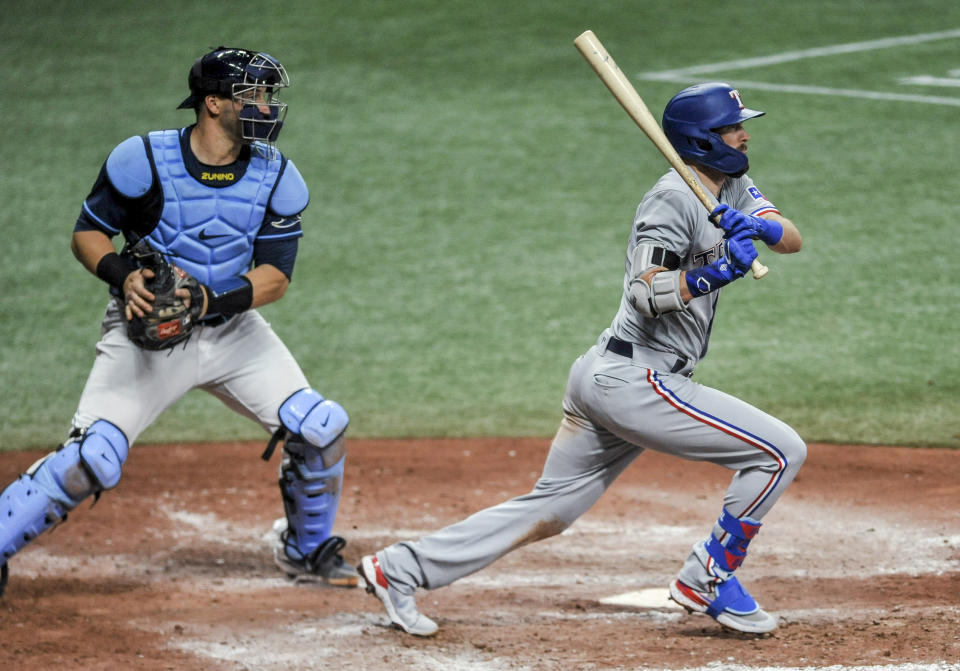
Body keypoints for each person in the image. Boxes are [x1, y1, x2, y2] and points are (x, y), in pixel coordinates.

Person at [357, 82, 805, 636]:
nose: (745, 134)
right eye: (733, 128)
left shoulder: (731, 184)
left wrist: (761, 227)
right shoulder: (669, 200)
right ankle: (707, 577)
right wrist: (712, 273)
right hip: (636, 379)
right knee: (779, 451)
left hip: (610, 374)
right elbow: (647, 292)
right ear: (703, 141)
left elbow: (791, 240)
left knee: (552, 510)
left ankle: (399, 569)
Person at [0, 46, 358, 596]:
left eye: (267, 94)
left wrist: (206, 302)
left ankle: (306, 549)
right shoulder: (143, 160)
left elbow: (275, 278)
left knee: (321, 426)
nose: (267, 105)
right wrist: (123, 276)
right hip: (144, 337)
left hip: (233, 333)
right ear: (212, 103)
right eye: (254, 94)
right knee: (94, 459)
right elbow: (87, 235)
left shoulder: (277, 175)